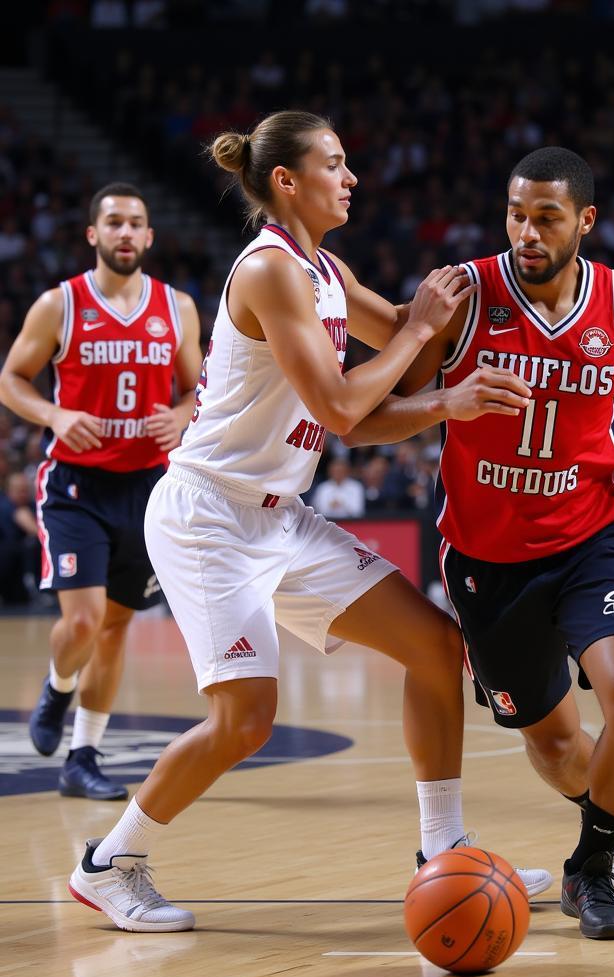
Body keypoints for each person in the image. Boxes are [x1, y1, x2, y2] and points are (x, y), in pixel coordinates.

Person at [62, 111, 549, 934]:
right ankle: (109, 864)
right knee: (245, 720)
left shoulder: (323, 268)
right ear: (287, 181)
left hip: (277, 517)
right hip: (208, 518)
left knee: (435, 646)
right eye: (336, 163)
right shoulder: (272, 271)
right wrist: (431, 353)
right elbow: (346, 408)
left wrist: (507, 301)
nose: (352, 176)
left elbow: (400, 345)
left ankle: (443, 849)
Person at [342, 146, 614, 939]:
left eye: (545, 216)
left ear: (584, 220)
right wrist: (447, 398)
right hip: (487, 561)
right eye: (516, 214)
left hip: (594, 538)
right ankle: (603, 814)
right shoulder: (461, 295)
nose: (526, 231)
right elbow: (371, 419)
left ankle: (590, 869)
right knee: (552, 744)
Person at [0, 183, 203, 799]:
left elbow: (200, 391)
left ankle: (82, 757)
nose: (124, 232)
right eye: (112, 222)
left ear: (148, 238)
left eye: (135, 223)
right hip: (76, 486)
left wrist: (183, 414)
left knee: (114, 628)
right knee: (82, 622)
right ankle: (58, 688)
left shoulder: (178, 307)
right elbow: (11, 379)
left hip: (147, 488)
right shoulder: (59, 304)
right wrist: (54, 417)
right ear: (93, 234)